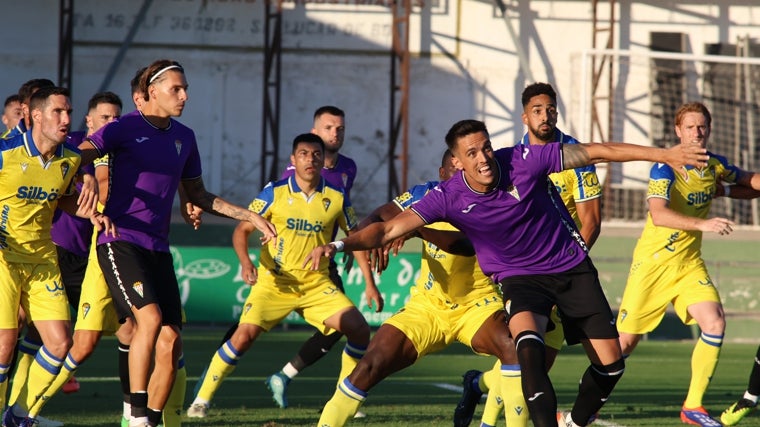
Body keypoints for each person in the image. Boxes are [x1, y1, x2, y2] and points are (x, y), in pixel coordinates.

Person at [304, 118, 709, 427]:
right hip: (430, 305)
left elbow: (594, 151)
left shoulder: (519, 161)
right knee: (370, 364)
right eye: (470, 155)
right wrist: (341, 242)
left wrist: (663, 154)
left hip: (483, 302)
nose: (482, 159)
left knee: (550, 356)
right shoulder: (438, 196)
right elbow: (386, 223)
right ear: (454, 166)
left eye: (486, 149)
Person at [76, 59, 276, 427]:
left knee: (171, 341)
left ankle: (151, 419)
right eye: (176, 89)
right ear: (152, 91)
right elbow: (77, 154)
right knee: (148, 320)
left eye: (185, 89)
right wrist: (87, 176)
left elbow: (198, 194)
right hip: (119, 240)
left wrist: (249, 215)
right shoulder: (122, 128)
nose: (184, 96)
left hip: (158, 247)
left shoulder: (185, 137)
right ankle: (135, 415)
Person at [315, 149, 531, 427]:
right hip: (427, 308)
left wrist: (417, 229)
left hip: (477, 306)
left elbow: (464, 246)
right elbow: (382, 214)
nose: (460, 180)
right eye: (454, 173)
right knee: (369, 365)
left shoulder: (492, 199)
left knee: (515, 347)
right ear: (441, 176)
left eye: (465, 171)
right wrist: (363, 236)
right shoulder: (426, 193)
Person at [195, 106, 381, 410]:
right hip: (276, 281)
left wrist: (366, 278)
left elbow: (357, 235)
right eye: (305, 154)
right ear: (293, 160)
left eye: (316, 154)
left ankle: (346, 400)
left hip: (317, 280)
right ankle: (202, 397)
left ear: (323, 159)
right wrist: (247, 262)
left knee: (357, 328)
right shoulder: (277, 190)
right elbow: (243, 229)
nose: (312, 158)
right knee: (243, 336)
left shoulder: (339, 190)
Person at [455, 82, 603, 427]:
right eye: (538, 110)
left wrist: (562, 273)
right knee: (525, 362)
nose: (545, 115)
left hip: (564, 267)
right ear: (525, 117)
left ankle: (477, 384)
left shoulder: (575, 156)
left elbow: (591, 222)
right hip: (519, 272)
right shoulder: (507, 157)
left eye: (551, 109)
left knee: (534, 366)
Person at [616, 102, 760, 427]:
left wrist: (722, 190)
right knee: (623, 345)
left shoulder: (714, 166)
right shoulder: (664, 168)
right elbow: (659, 213)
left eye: (702, 127)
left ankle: (693, 407)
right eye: (690, 127)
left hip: (688, 264)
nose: (697, 133)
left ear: (709, 129)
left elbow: (751, 182)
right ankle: (582, 406)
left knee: (715, 322)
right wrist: (704, 225)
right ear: (678, 131)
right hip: (653, 265)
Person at [1, 86, 114, 427]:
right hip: (5, 257)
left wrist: (91, 213)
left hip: (43, 259)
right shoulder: (6, 153)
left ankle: (18, 415)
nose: (66, 119)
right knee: (5, 344)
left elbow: (61, 199)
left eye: (68, 112)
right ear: (35, 116)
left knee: (61, 342)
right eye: (58, 112)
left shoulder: (69, 159)